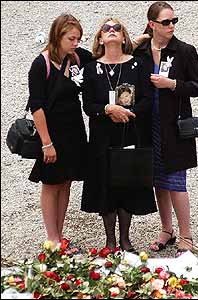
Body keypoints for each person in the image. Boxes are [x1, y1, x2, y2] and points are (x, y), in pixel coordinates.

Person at [133, 1, 198, 256]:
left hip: (174, 126)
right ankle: (166, 230)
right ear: (152, 24)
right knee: (158, 181)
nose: (172, 25)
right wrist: (133, 42)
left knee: (176, 181)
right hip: (147, 125)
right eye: (166, 22)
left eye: (174, 21)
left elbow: (197, 87)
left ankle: (186, 234)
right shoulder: (140, 51)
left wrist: (172, 84)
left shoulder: (185, 51)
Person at [81, 17, 157, 252]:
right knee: (106, 185)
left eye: (117, 28)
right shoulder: (91, 67)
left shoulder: (138, 64)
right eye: (106, 28)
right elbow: (88, 105)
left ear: (124, 37)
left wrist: (128, 113)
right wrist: (107, 110)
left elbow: (146, 99)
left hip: (130, 133)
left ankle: (125, 239)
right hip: (102, 137)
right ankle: (110, 241)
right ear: (100, 38)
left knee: (128, 185)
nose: (112, 31)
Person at [28, 14, 92, 246]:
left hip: (74, 129)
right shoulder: (41, 64)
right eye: (71, 38)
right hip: (51, 132)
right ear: (58, 36)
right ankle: (51, 238)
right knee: (50, 182)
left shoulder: (77, 58)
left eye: (78, 38)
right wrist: (46, 142)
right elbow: (36, 106)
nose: (76, 43)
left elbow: (104, 58)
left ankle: (59, 234)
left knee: (66, 181)